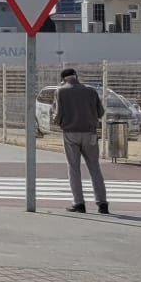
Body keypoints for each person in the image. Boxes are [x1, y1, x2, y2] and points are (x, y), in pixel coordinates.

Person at [55, 68, 110, 214]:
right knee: (94, 168)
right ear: (76, 77)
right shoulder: (91, 91)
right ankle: (102, 203)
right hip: (90, 133)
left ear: (63, 79)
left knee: (74, 168)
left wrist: (60, 123)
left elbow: (58, 114)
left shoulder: (61, 91)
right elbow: (101, 112)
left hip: (70, 133)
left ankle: (79, 203)